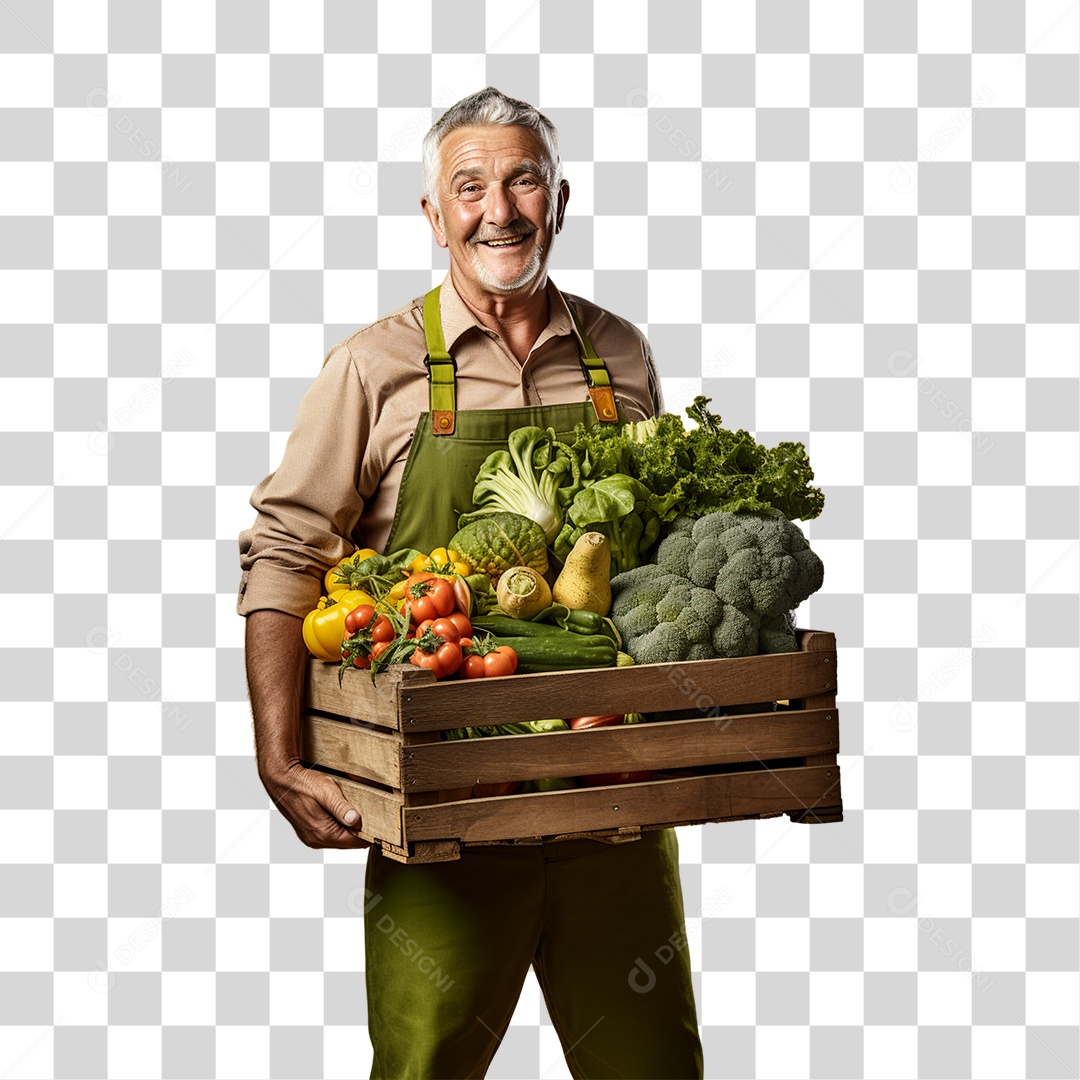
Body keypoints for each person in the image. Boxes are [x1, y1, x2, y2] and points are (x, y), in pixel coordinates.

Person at [238, 87, 704, 1079]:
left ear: (561, 199)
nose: (500, 208)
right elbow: (284, 551)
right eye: (470, 185)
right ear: (434, 214)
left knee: (655, 1067)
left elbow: (654, 559)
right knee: (425, 1067)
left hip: (608, 797)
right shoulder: (374, 367)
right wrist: (279, 760)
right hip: (442, 814)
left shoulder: (619, 354)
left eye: (524, 179)